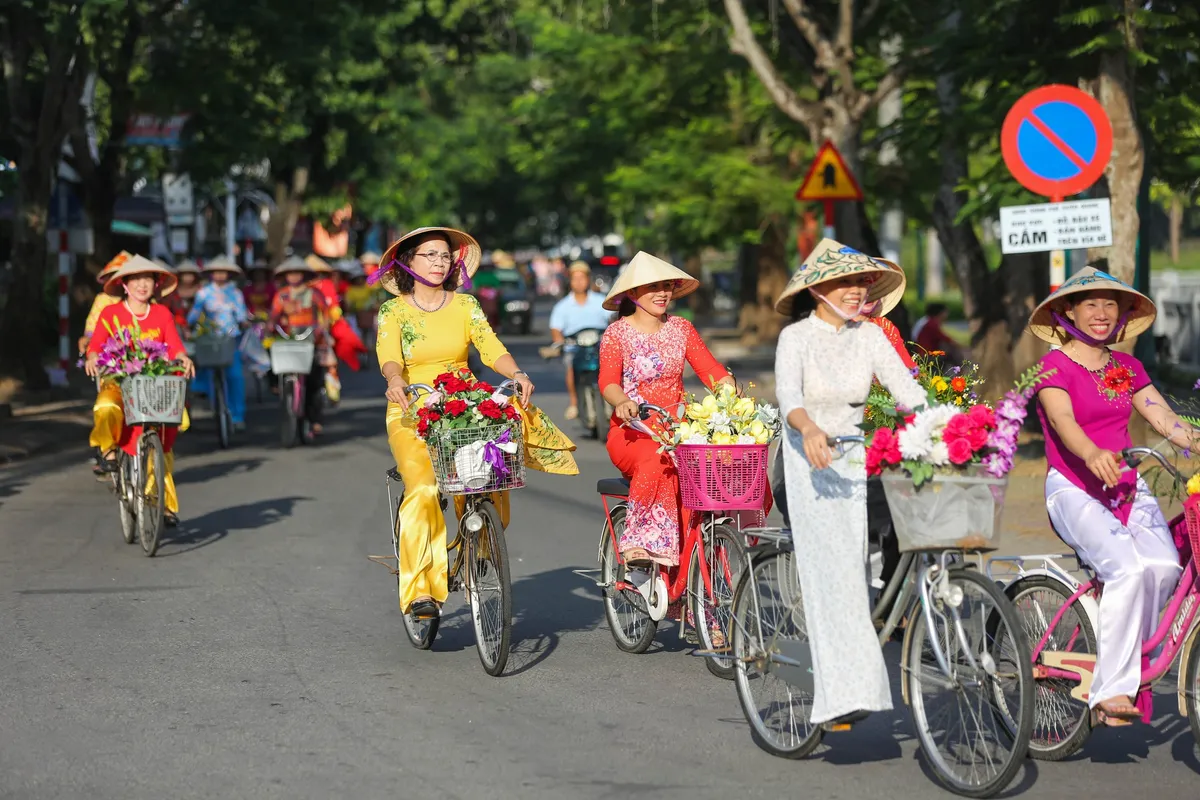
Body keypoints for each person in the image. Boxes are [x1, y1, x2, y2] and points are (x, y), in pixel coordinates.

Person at [374, 226, 578, 619]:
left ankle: (474, 549)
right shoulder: (393, 310)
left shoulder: (466, 305)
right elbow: (389, 355)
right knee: (426, 489)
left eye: (444, 256)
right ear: (408, 262)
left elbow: (490, 347)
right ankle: (421, 592)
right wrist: (395, 379)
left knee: (490, 475)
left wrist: (517, 373)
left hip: (465, 403)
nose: (438, 262)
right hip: (412, 406)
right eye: (429, 255)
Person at [1030, 266, 1194, 727]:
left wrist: (1194, 438)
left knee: (1163, 567)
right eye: (1090, 304)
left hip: (1125, 485)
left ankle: (1132, 661)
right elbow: (1065, 423)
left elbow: (1163, 417)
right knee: (1126, 567)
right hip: (1073, 487)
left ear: (1122, 314)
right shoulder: (1052, 367)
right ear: (1068, 312)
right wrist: (1091, 452)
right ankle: (1111, 689)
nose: (1101, 314)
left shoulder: (1127, 367)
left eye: (1110, 305)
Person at [774, 238, 927, 727]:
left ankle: (854, 685)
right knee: (834, 572)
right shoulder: (795, 338)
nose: (857, 290)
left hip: (855, 458)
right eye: (845, 282)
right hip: (809, 460)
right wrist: (809, 428)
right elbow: (788, 396)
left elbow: (908, 391)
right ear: (818, 289)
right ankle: (838, 694)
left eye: (861, 282)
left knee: (856, 569)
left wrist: (951, 429)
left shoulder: (871, 336)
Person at [598, 251, 736, 569]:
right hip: (634, 432)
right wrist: (621, 402)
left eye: (667, 286)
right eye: (653, 286)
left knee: (717, 471)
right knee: (657, 459)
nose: (662, 293)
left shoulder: (682, 328)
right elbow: (608, 381)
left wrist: (731, 390)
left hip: (680, 430)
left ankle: (701, 583)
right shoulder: (616, 334)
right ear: (632, 293)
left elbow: (712, 371)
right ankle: (640, 541)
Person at [84, 255, 195, 526]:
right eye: (136, 279)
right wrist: (91, 357)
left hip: (152, 386)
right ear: (124, 284)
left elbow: (175, 345)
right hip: (119, 383)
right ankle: (108, 449)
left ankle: (164, 504)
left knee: (163, 435)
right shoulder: (110, 314)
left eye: (148, 279)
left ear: (156, 285)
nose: (142, 285)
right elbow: (96, 345)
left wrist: (183, 357)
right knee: (105, 407)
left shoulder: (162, 314)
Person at [82, 251, 134, 475]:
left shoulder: (147, 302)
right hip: (111, 364)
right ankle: (107, 448)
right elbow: (91, 334)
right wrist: (91, 350)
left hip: (142, 367)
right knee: (106, 405)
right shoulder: (104, 303)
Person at [270, 256, 332, 435]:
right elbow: (274, 315)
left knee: (314, 380)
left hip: (311, 337)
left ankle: (315, 419)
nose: (294, 277)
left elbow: (326, 315)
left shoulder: (314, 294)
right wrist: (269, 327)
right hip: (288, 337)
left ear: (304, 275)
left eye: (298, 273)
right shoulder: (281, 295)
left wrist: (322, 328)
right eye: (291, 274)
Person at [187, 255, 250, 430]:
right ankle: (218, 408)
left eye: (223, 272)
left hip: (231, 335)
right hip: (209, 336)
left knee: (235, 375)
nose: (220, 275)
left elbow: (241, 315)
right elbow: (194, 314)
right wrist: (189, 324)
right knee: (209, 371)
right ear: (211, 274)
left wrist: (244, 321)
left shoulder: (235, 293)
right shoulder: (203, 293)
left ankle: (237, 415)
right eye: (217, 272)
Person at [546, 261, 612, 422]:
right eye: (575, 278)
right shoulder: (562, 306)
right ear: (570, 281)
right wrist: (559, 342)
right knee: (570, 366)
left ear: (588, 279)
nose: (579, 282)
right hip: (575, 346)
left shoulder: (601, 300)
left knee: (612, 367)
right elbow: (556, 328)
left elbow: (612, 320)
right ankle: (574, 403)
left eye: (582, 278)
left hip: (599, 344)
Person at [164, 259, 202, 331]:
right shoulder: (173, 289)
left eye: (190, 275)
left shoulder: (200, 289)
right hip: (177, 324)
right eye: (185, 275)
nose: (188, 278)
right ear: (180, 276)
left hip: (198, 323)